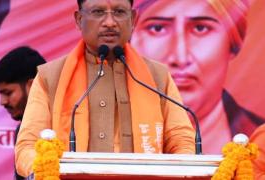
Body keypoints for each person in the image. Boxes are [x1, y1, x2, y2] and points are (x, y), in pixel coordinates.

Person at [15, 0, 195, 177]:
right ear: (79, 19)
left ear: (132, 19)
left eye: (119, 12)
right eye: (98, 12)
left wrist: (183, 169)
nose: (110, 22)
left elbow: (181, 140)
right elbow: (27, 146)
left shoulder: (157, 76)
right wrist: (43, 170)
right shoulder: (51, 76)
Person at [131, 0, 265, 154]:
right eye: (157, 28)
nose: (180, 58)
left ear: (233, 43)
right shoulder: (107, 131)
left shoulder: (260, 141)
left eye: (200, 28)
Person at [0, 46, 46, 179]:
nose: (2, 102)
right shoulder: (22, 129)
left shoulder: (62, 124)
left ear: (32, 85)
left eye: (8, 93)